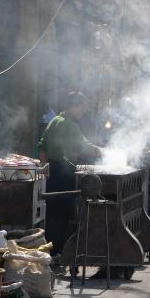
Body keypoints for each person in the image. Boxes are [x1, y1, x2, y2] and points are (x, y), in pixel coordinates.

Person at [38, 91, 102, 258]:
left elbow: (42, 148)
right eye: (82, 108)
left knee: (52, 213)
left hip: (52, 172)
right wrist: (103, 152)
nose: (83, 112)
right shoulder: (70, 125)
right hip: (64, 172)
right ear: (74, 106)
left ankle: (50, 250)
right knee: (63, 212)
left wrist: (45, 169)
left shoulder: (53, 121)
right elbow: (85, 146)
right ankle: (57, 251)